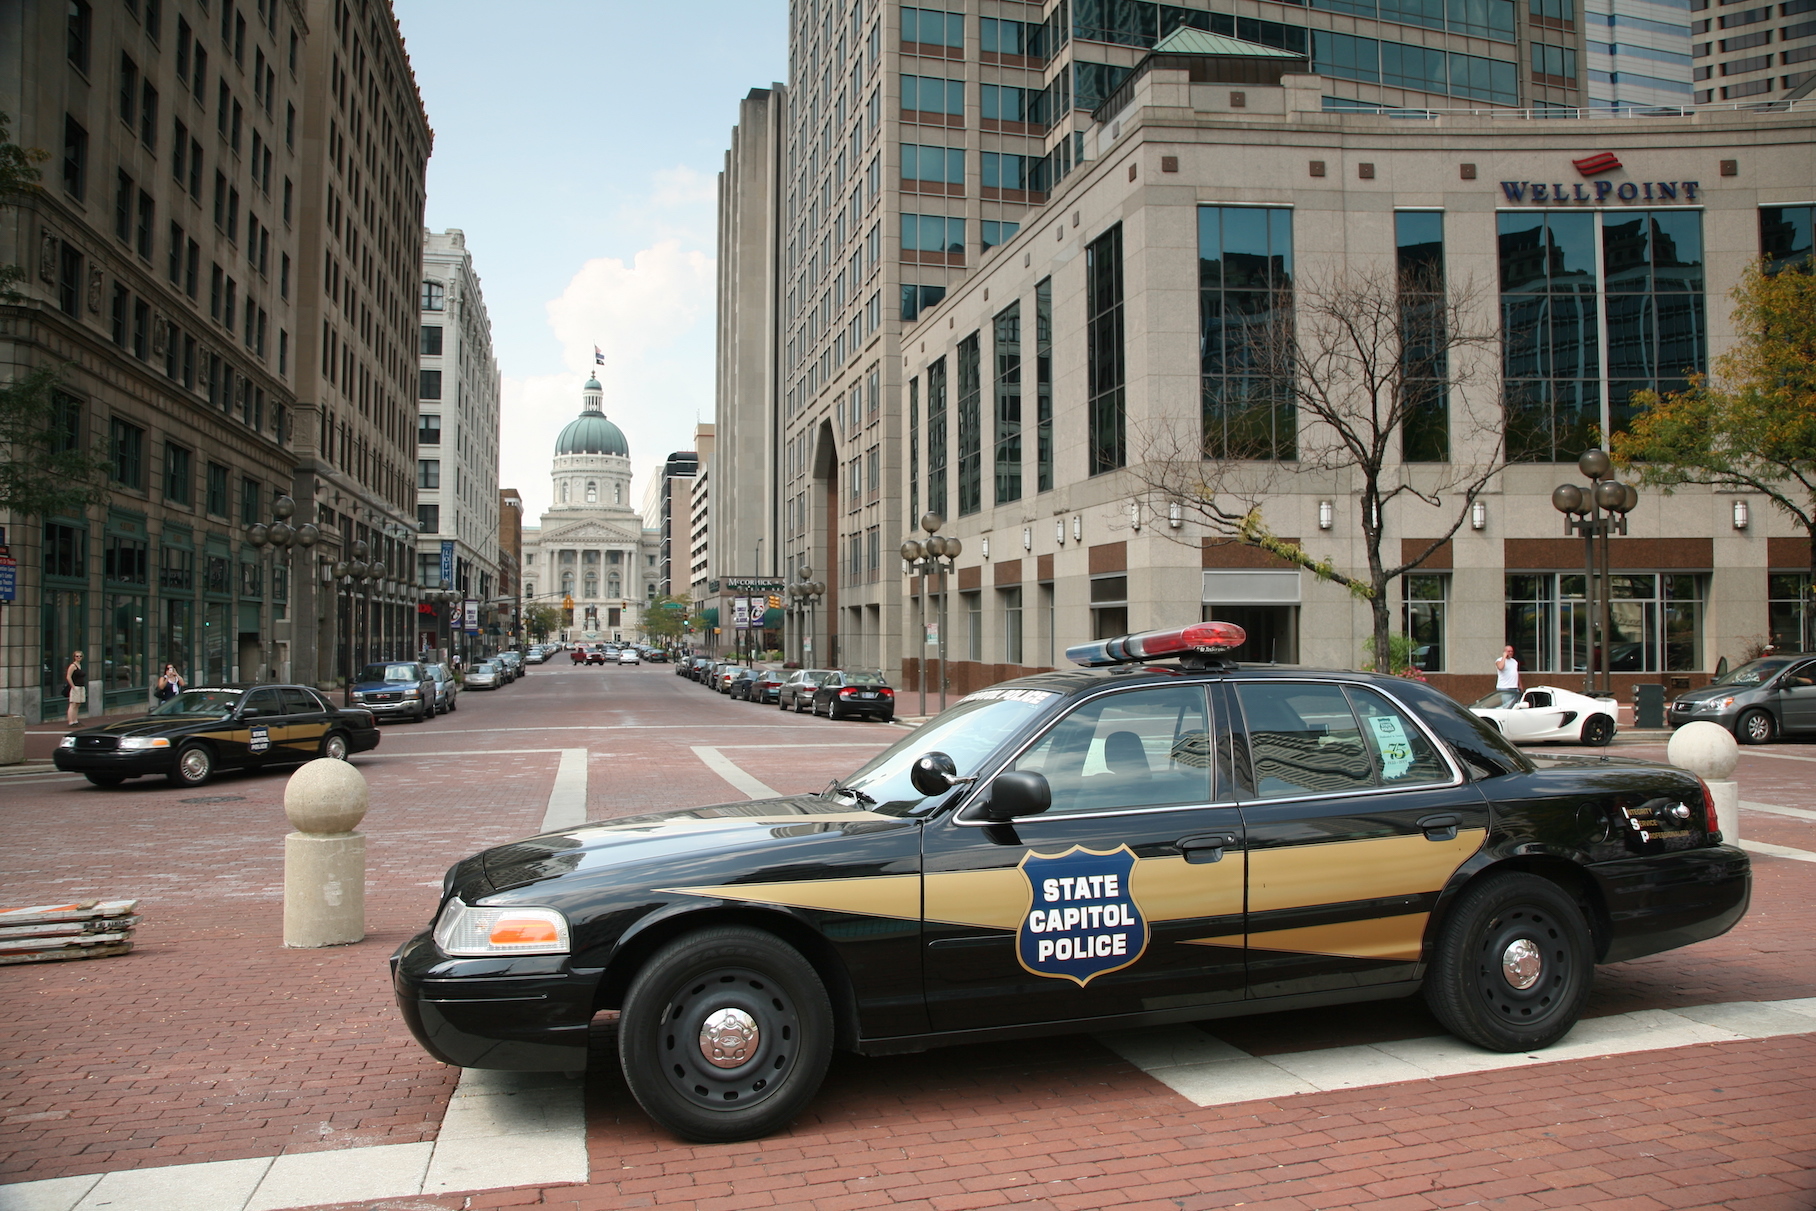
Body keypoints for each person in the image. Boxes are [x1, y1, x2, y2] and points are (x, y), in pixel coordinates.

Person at [65, 650, 87, 726]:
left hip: (81, 686)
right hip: (76, 687)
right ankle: (71, 721)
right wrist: (73, 686)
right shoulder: (73, 666)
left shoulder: (80, 665)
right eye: (77, 656)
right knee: (73, 704)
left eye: (80, 656)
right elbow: (68, 676)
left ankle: (75, 720)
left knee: (78, 704)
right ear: (74, 657)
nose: (78, 657)